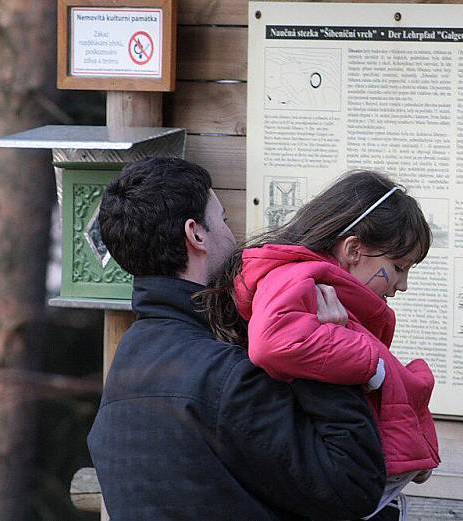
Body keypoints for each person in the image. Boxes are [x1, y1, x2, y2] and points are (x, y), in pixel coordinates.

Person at [87, 158, 386, 520]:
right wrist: (326, 358)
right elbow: (351, 486)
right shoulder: (225, 377)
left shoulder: (124, 368)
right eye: (224, 220)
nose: (233, 236)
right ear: (196, 234)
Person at [201, 170, 441, 520]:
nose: (401, 285)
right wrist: (370, 366)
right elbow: (270, 345)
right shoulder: (300, 278)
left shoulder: (323, 285)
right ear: (354, 249)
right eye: (398, 267)